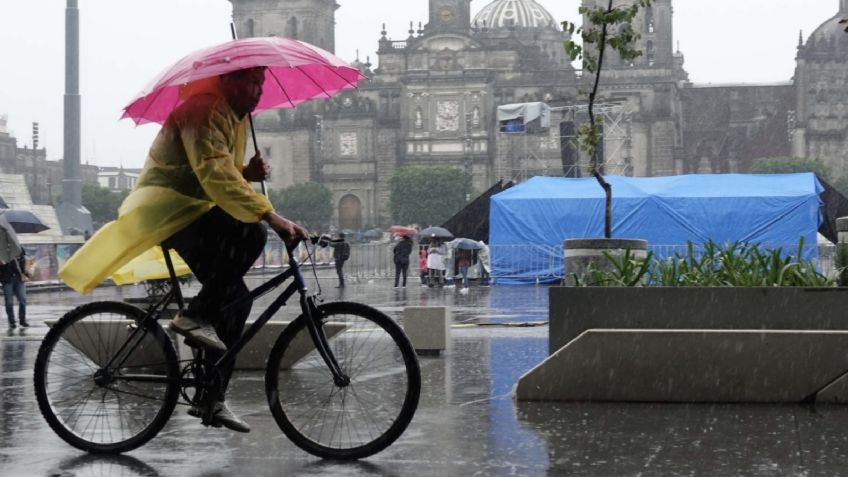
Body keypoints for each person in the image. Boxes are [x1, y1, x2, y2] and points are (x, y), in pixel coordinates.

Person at [59, 67, 309, 433]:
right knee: (252, 234)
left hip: (192, 208)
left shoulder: (234, 117)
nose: (258, 91)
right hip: (167, 209)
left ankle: (212, 395)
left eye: (261, 83)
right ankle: (192, 317)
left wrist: (246, 173)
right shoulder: (204, 110)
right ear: (227, 81)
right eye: (250, 82)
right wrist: (271, 216)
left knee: (235, 299)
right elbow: (213, 174)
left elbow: (218, 169)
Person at [0, 220, 26, 329]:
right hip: (7, 279)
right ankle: (12, 322)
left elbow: (23, 256)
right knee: (9, 302)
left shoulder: (16, 246)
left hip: (18, 277)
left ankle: (22, 320)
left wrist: (19, 256)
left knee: (23, 300)